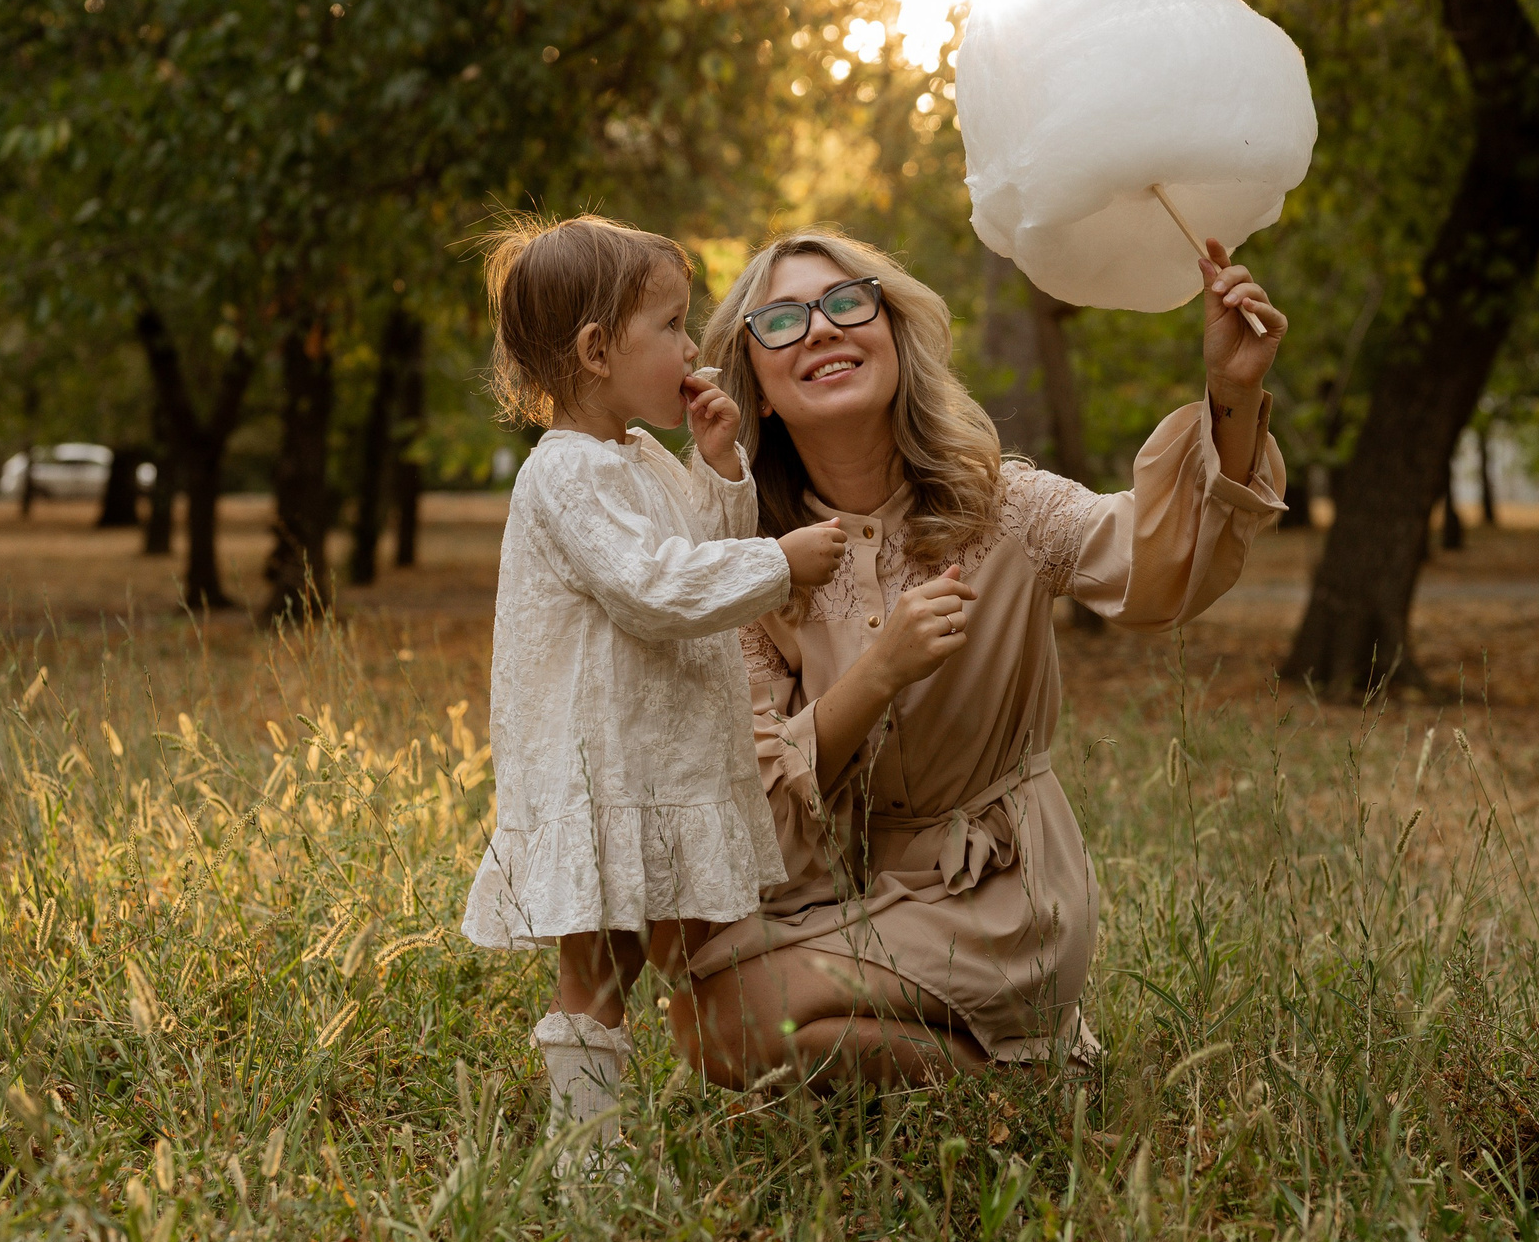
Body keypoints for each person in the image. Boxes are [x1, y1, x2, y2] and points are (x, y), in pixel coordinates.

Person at [673, 228, 1287, 1089]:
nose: (822, 328)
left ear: (893, 336)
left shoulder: (1003, 506)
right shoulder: (755, 565)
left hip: (1001, 890)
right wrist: (878, 673)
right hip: (850, 883)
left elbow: (1161, 569)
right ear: (759, 391)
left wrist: (1231, 394)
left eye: (848, 302)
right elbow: (764, 821)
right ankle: (1006, 1066)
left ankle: (1022, 1072)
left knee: (730, 1022)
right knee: (698, 1005)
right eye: (782, 320)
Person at [458, 214, 848, 1161]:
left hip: (661, 759)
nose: (691, 347)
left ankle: (759, 1072)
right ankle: (584, 1149)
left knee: (693, 942)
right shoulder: (564, 472)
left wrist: (717, 469)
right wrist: (781, 563)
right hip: (603, 768)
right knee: (599, 963)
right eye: (671, 326)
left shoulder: (634, 457)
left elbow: (698, 557)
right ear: (598, 351)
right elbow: (654, 587)